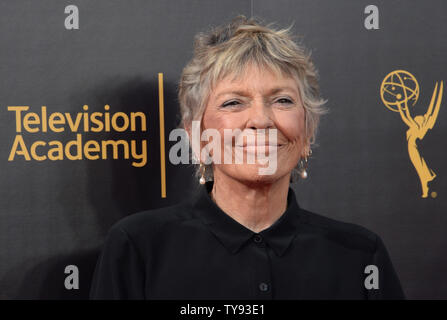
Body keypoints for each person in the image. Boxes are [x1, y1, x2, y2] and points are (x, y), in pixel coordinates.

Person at [90, 15, 405, 299]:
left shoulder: (361, 255)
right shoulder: (138, 247)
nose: (262, 120)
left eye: (282, 100)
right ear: (196, 135)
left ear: (308, 131)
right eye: (233, 103)